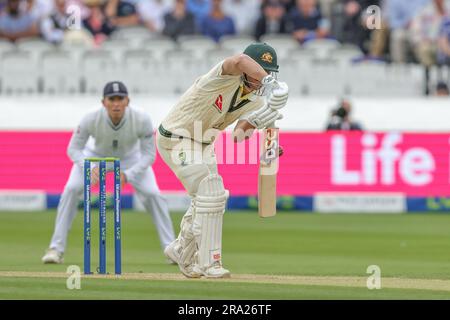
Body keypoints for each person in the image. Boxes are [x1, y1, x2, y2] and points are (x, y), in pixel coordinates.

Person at [157, 43, 289, 278]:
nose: (264, 79)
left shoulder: (257, 101)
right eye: (262, 73)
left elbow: (239, 136)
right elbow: (238, 60)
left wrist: (265, 115)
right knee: (210, 190)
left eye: (270, 74)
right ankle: (210, 263)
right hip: (176, 137)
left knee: (212, 197)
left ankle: (179, 249)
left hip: (204, 144)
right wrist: (271, 85)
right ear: (250, 70)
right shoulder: (221, 76)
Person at [42, 81, 176, 264]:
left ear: (127, 101)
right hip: (94, 157)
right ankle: (55, 249)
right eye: (111, 99)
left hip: (130, 158)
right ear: (103, 102)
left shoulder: (142, 118)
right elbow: (73, 149)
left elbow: (149, 155)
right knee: (71, 190)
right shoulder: (90, 117)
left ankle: (172, 249)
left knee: (153, 194)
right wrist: (89, 167)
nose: (116, 103)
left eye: (120, 98)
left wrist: (129, 174)